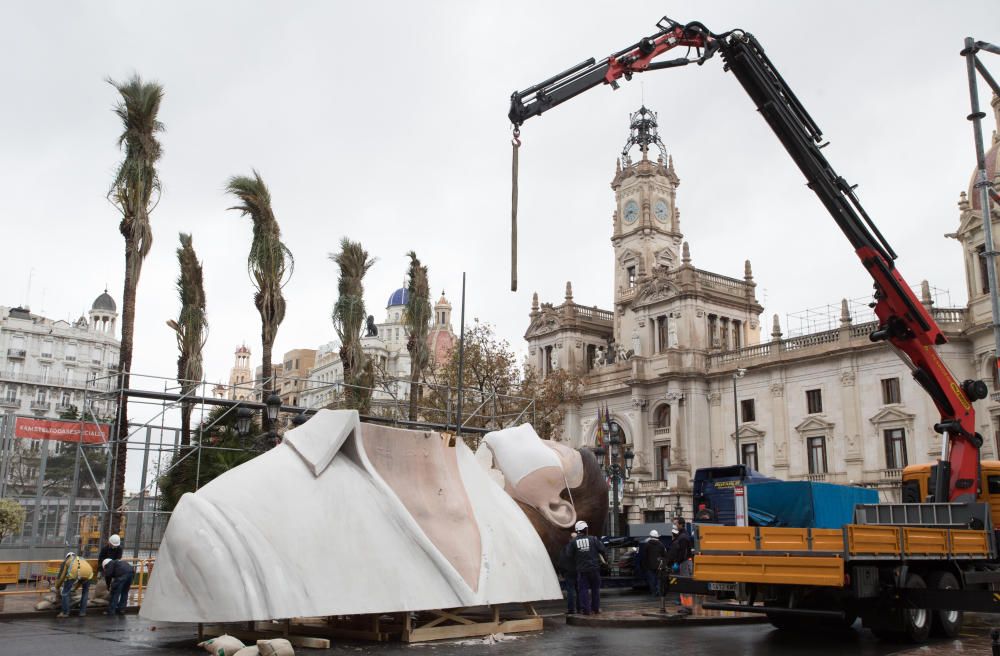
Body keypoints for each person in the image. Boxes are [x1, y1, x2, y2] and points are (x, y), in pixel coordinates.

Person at [141, 410, 563, 623]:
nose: (527, 431)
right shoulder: (219, 519)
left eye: (559, 449)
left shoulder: (519, 546)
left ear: (561, 509)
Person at [569, 520, 606, 615]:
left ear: (577, 530)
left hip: (582, 570)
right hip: (594, 569)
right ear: (586, 529)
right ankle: (596, 608)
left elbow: (569, 555)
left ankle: (586, 610)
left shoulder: (574, 542)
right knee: (595, 590)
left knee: (583, 590)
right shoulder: (593, 539)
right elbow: (602, 549)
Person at [54, 552, 93, 618]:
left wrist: (57, 586)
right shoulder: (82, 559)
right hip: (89, 574)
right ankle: (82, 612)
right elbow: (80, 580)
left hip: (75, 573)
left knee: (65, 593)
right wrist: (74, 589)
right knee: (85, 593)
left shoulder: (67, 561)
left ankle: (65, 613)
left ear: (67, 557)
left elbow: (62, 576)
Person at [665, 525, 693, 615]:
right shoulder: (682, 538)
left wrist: (676, 562)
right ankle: (685, 606)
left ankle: (687, 607)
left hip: (683, 564)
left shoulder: (679, 541)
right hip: (684, 564)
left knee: (684, 586)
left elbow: (678, 554)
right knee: (683, 587)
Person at [558, 532, 579, 614]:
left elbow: (561, 561)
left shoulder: (565, 548)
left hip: (568, 572)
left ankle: (571, 610)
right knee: (579, 591)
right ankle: (580, 608)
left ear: (570, 539)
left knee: (570, 592)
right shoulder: (580, 548)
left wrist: (562, 572)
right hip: (578, 571)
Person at [642, 529, 666, 597]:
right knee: (658, 579)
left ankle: (653, 592)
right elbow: (664, 555)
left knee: (651, 580)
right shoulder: (661, 545)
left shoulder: (647, 545)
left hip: (649, 566)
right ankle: (658, 592)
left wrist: (644, 566)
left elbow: (644, 556)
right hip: (658, 566)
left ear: (650, 536)